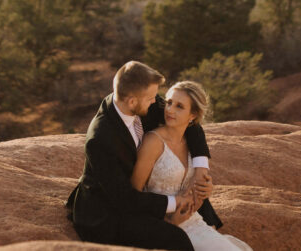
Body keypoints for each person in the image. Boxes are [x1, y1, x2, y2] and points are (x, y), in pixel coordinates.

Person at [66, 61, 221, 250]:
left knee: (203, 213)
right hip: (109, 210)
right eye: (151, 98)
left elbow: (190, 122)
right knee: (175, 238)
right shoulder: (99, 139)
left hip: (140, 196)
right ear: (133, 101)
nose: (158, 103)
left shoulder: (139, 102)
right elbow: (124, 199)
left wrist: (200, 168)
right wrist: (173, 204)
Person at [131, 81, 252, 251]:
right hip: (160, 224)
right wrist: (169, 223)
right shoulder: (153, 142)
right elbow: (134, 191)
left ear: (193, 115)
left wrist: (205, 190)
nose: (170, 110)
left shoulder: (192, 144)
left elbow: (197, 190)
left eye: (179, 106)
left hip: (194, 222)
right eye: (169, 102)